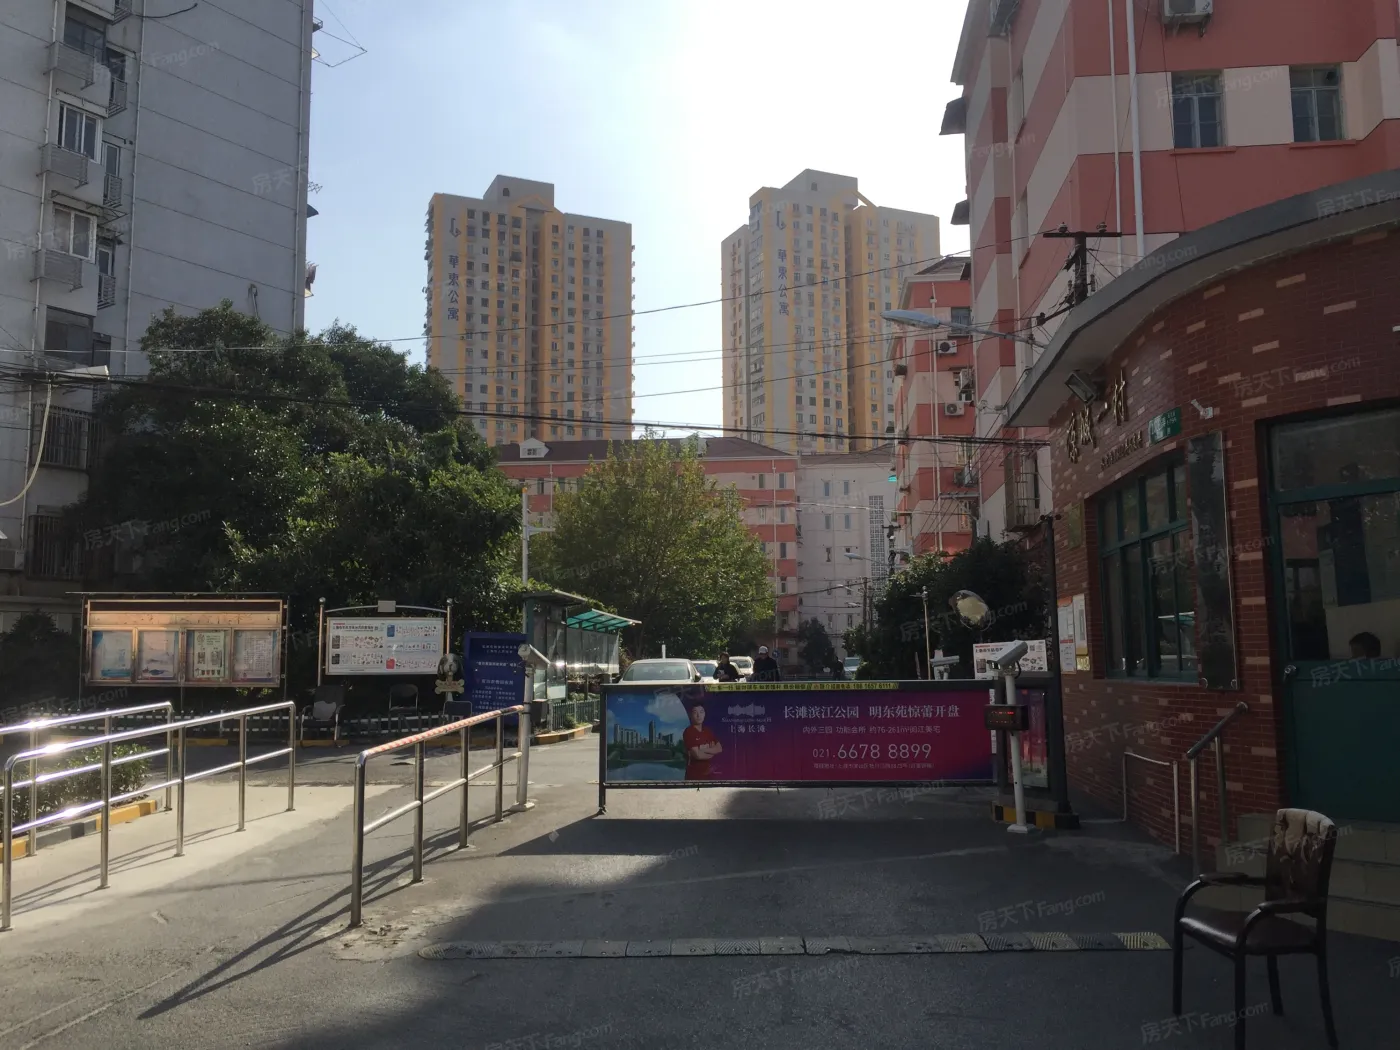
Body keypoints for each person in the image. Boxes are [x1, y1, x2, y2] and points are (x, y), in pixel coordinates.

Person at [682, 703, 722, 780]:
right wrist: (712, 753)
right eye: (695, 712)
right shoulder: (689, 732)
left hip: (708, 776)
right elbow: (698, 755)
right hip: (693, 777)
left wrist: (702, 749)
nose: (698, 715)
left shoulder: (708, 731)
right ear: (691, 715)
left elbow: (719, 749)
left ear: (704, 714)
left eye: (701, 712)